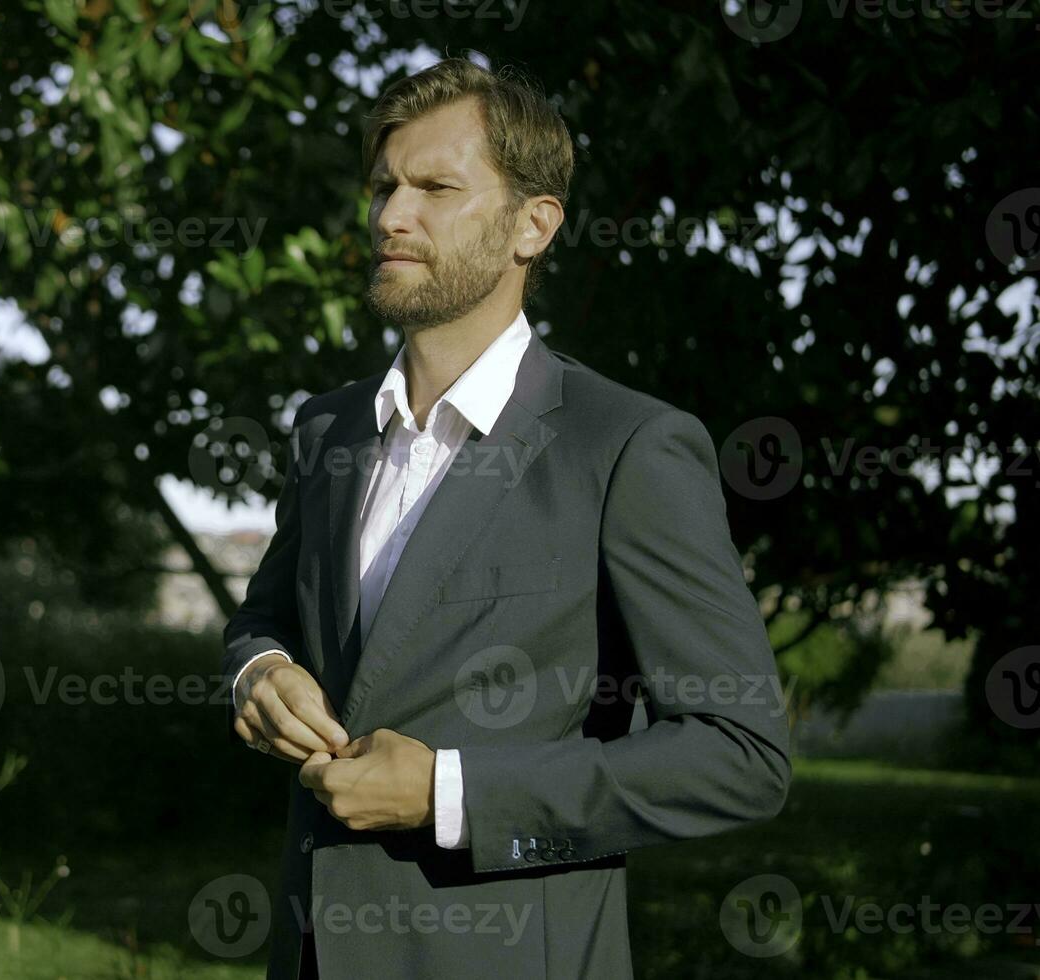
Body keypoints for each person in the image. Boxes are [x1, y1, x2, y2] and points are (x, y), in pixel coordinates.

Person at [222, 56, 791, 979]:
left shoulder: (628, 446)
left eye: (435, 188)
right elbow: (266, 617)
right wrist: (259, 669)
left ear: (535, 224)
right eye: (383, 186)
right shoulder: (324, 426)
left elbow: (741, 755)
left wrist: (449, 792)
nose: (389, 217)